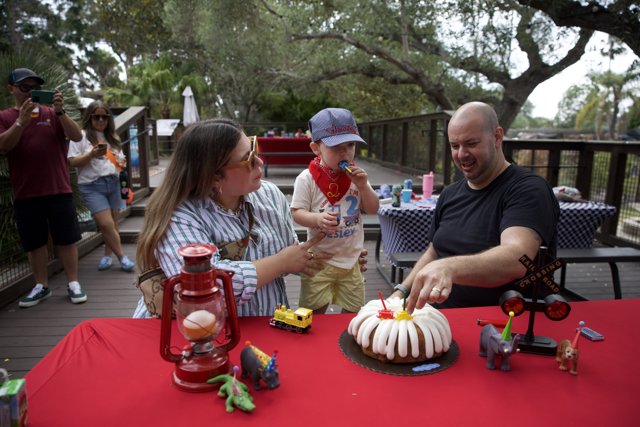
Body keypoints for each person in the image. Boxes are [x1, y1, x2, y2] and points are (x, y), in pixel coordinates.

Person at [133, 118, 332, 318]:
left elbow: (290, 253)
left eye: (254, 148)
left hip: (267, 325)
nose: (260, 161)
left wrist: (337, 254)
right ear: (214, 176)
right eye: (248, 159)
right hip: (199, 335)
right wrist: (280, 263)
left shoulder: (269, 194)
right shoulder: (179, 216)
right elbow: (205, 285)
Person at [391, 101, 559, 311]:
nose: (461, 154)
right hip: (439, 318)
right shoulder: (450, 194)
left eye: (471, 143)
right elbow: (434, 252)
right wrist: (401, 292)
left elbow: (517, 258)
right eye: (455, 146)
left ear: (497, 137)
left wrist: (448, 267)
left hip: (505, 323)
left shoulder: (528, 189)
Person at [0, 67, 87, 307]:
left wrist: (60, 112)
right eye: (25, 87)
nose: (31, 92)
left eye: (35, 88)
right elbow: (3, 147)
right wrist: (20, 122)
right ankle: (41, 285)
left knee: (67, 239)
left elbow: (77, 137)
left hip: (59, 189)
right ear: (12, 89)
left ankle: (73, 283)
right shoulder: (6, 116)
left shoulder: (52, 114)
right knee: (34, 242)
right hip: (26, 192)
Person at [290, 108, 379, 314]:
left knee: (353, 314)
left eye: (350, 145)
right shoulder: (307, 178)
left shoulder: (357, 178)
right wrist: (317, 218)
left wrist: (364, 186)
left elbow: (373, 209)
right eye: (336, 147)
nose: (345, 153)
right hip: (319, 260)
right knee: (314, 314)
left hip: (352, 261)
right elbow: (296, 212)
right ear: (316, 148)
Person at [68, 101, 135, 272]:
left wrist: (121, 162)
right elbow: (73, 161)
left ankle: (107, 255)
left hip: (113, 182)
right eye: (96, 116)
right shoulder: (80, 137)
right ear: (89, 117)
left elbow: (120, 160)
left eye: (104, 116)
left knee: (113, 223)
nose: (100, 120)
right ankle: (122, 257)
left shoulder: (113, 137)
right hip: (91, 185)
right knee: (105, 224)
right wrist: (91, 154)